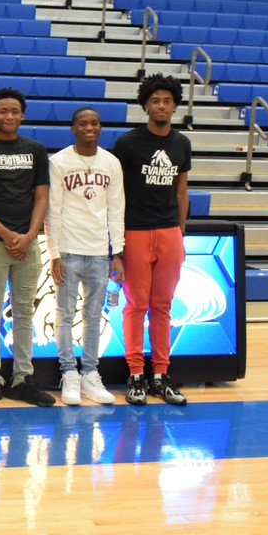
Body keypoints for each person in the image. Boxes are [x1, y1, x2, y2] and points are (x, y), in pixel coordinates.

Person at [0, 87, 54, 409]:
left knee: (24, 311)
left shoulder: (36, 150)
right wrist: (6, 234)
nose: (9, 116)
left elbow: (41, 197)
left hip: (28, 243)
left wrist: (30, 235)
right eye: (3, 111)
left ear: (22, 115)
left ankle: (23, 379)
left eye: (15, 111)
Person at [112, 74, 191, 406]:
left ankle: (161, 374)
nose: (161, 106)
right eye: (155, 100)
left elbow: (182, 192)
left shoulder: (182, 143)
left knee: (163, 305)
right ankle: (135, 374)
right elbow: (115, 194)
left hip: (169, 232)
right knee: (136, 305)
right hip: (135, 232)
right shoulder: (128, 143)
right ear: (145, 105)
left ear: (175, 106)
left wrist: (179, 233)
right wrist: (116, 245)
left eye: (167, 101)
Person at [45, 106, 124, 406]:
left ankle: (90, 373)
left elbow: (116, 209)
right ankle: (69, 373)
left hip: (99, 252)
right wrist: (54, 252)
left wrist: (117, 252)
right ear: (73, 128)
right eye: (83, 123)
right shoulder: (59, 161)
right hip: (68, 249)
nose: (89, 128)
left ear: (100, 127)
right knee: (65, 314)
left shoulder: (111, 163)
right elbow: (53, 210)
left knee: (93, 315)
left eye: (95, 123)